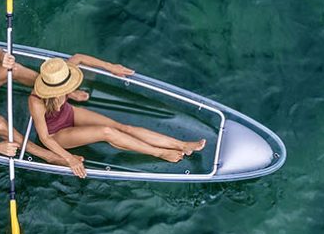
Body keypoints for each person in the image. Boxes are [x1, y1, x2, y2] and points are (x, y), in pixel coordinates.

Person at [28, 55, 205, 179]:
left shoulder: (62, 74)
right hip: (56, 136)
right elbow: (44, 138)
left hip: (69, 113)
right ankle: (160, 152)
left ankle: (182, 145)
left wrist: (111, 67)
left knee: (122, 127)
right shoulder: (36, 101)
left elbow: (78, 57)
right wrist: (70, 158)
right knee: (107, 132)